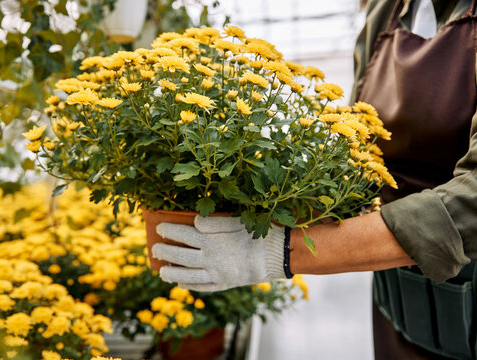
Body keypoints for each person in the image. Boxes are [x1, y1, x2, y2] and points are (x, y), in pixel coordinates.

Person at [151, 0, 477, 358]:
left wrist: (277, 252)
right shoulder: (386, 12)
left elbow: (470, 204)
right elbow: (362, 149)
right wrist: (266, 203)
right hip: (398, 299)